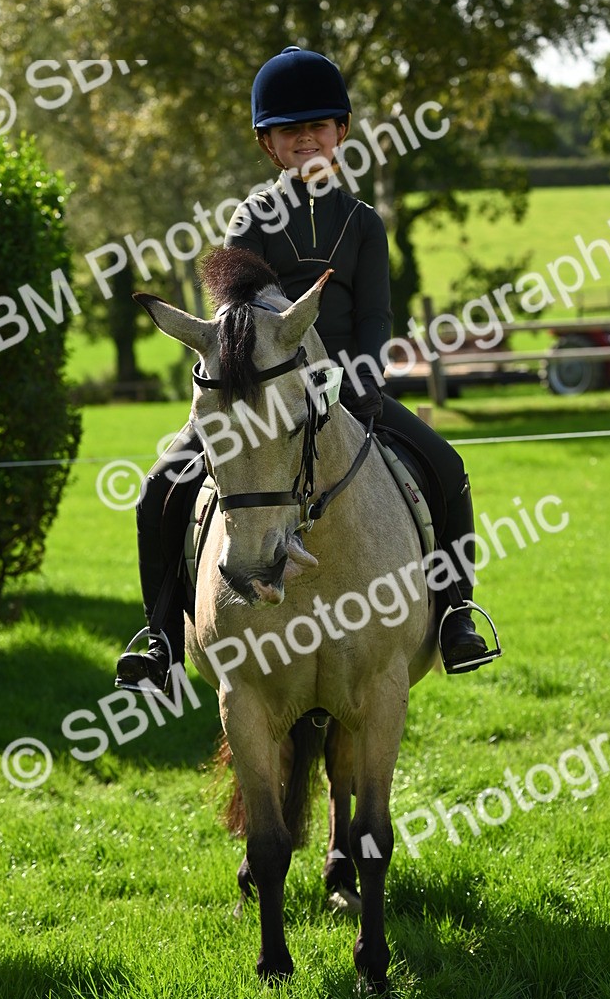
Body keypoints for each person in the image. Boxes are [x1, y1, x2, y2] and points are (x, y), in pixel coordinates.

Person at [116, 46, 498, 694]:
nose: (306, 139)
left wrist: (364, 379)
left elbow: (375, 316)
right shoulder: (251, 220)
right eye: (290, 131)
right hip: (262, 397)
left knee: (446, 466)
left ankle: (457, 608)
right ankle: (159, 637)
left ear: (341, 133)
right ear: (269, 145)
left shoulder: (364, 224)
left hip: (352, 393)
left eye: (318, 127)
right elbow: (235, 322)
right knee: (157, 488)